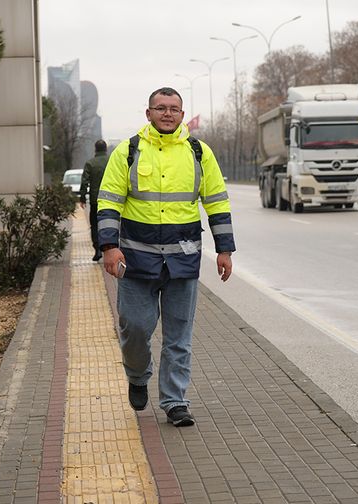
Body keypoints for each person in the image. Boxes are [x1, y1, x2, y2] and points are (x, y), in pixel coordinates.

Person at [96, 87, 235, 427]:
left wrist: (224, 249)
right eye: (161, 108)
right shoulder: (128, 152)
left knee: (179, 336)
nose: (168, 113)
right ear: (148, 114)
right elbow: (109, 201)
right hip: (136, 260)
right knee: (135, 327)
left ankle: (175, 401)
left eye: (174, 108)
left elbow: (216, 202)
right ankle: (139, 375)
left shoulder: (199, 153)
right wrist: (109, 247)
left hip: (183, 260)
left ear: (182, 114)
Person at [79, 139, 110, 261]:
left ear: (95, 149)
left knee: (95, 225)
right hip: (110, 200)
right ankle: (109, 248)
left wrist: (82, 198)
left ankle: (97, 249)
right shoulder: (111, 161)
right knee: (109, 223)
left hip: (95, 200)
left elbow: (84, 182)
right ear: (106, 149)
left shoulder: (90, 163)